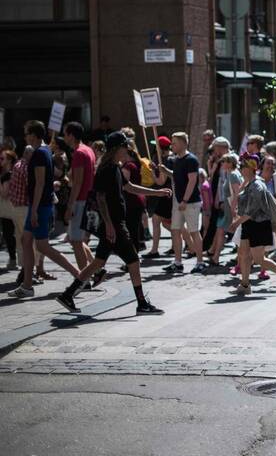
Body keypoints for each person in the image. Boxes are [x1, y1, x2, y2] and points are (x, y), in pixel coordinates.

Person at [54, 131, 170, 315]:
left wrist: (158, 192)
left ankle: (68, 295)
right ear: (117, 148)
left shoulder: (116, 167)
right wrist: (108, 224)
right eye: (125, 146)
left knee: (98, 262)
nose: (128, 149)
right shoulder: (106, 169)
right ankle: (141, 303)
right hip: (114, 224)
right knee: (133, 261)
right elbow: (100, 198)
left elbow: (129, 187)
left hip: (115, 222)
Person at [9, 121, 81, 299]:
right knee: (26, 240)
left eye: (26, 133)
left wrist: (33, 210)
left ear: (33, 135)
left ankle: (80, 276)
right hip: (39, 205)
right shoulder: (43, 151)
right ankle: (26, 285)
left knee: (42, 246)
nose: (24, 136)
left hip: (40, 206)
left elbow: (40, 183)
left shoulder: (40, 153)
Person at [228, 155, 276, 295]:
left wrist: (236, 223)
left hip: (259, 225)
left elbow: (251, 211)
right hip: (249, 225)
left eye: (243, 166)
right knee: (244, 255)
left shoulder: (257, 185)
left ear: (250, 169)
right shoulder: (249, 183)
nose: (240, 169)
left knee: (259, 259)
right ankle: (245, 285)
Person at [164, 132, 206, 273]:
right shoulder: (176, 160)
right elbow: (177, 177)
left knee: (194, 231)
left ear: (183, 143)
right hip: (178, 202)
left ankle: (200, 262)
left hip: (191, 202)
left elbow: (192, 180)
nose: (172, 145)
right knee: (175, 230)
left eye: (174, 142)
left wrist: (185, 200)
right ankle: (177, 262)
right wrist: (165, 171)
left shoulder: (191, 160)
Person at [62, 122, 95, 275]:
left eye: (65, 134)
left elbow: (78, 183)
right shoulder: (87, 150)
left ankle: (84, 278)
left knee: (75, 241)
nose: (64, 137)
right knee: (79, 240)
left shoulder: (79, 153)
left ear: (71, 135)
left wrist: (70, 206)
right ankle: (97, 270)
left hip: (80, 200)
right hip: (86, 199)